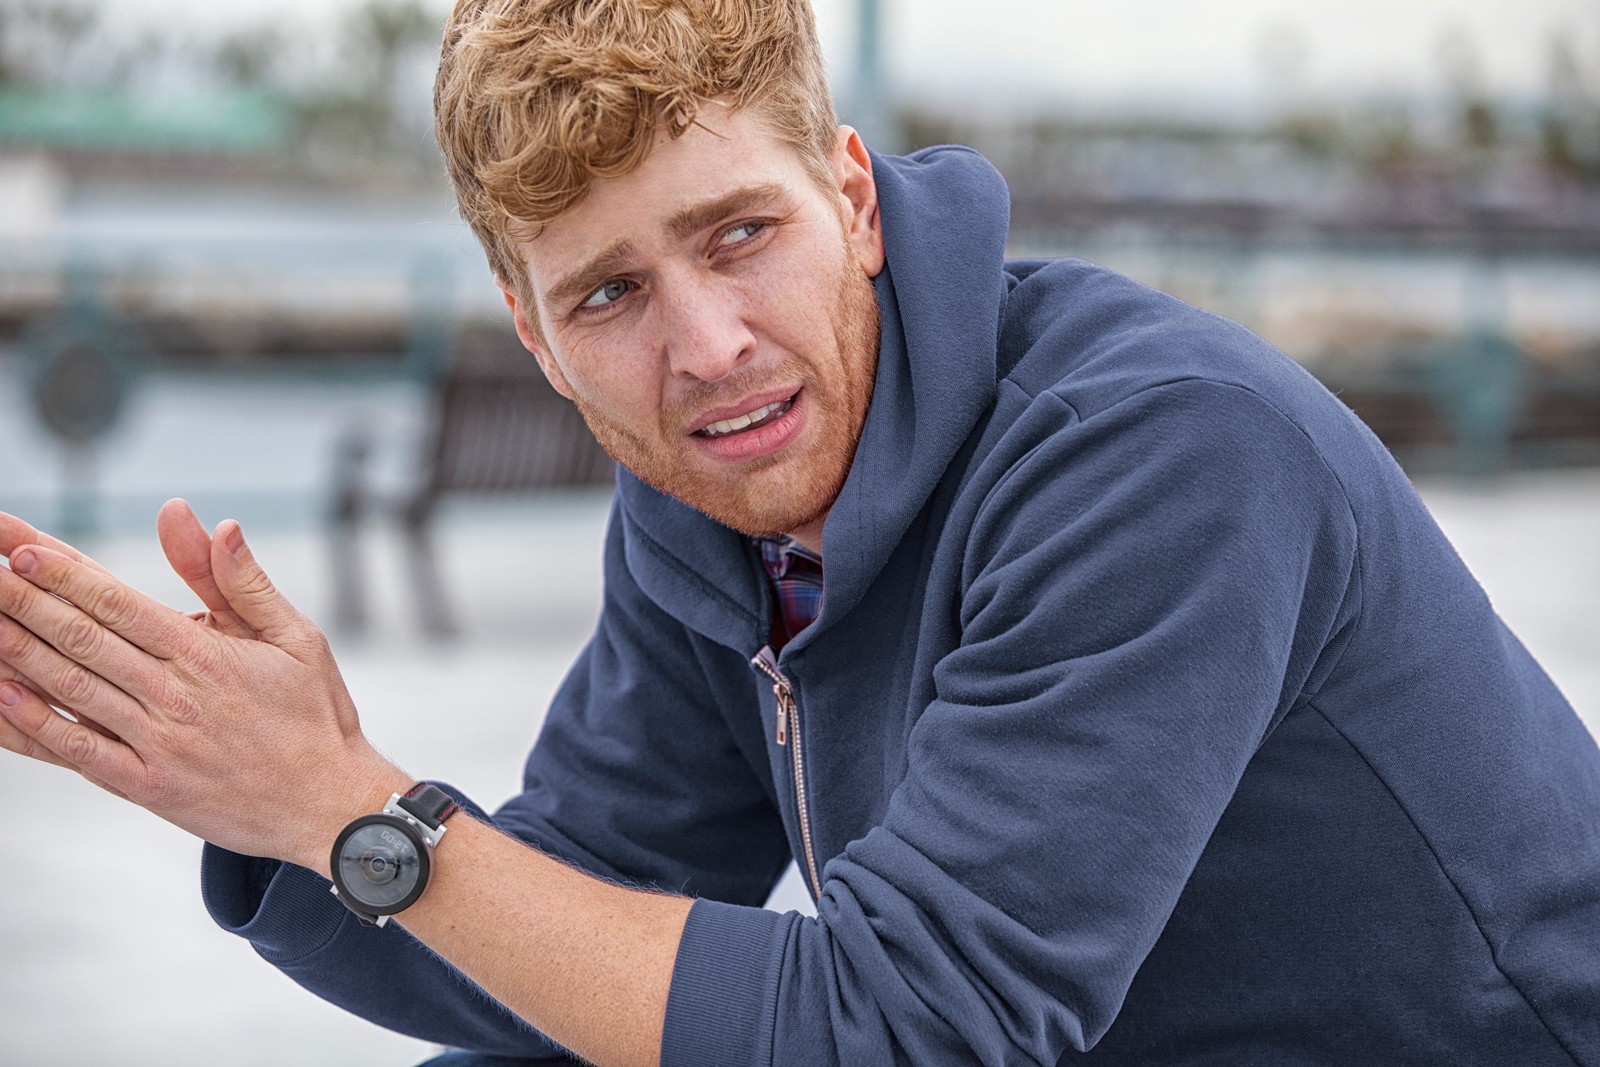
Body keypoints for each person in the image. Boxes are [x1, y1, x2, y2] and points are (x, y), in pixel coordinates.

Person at [1, 0, 1597, 1063]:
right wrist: (275, 796)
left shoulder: (1161, 451)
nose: (707, 350)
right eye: (610, 294)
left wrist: (365, 815)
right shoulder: (710, 500)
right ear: (533, 334)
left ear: (857, 198)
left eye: (740, 234)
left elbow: (911, 1030)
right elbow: (572, 908)